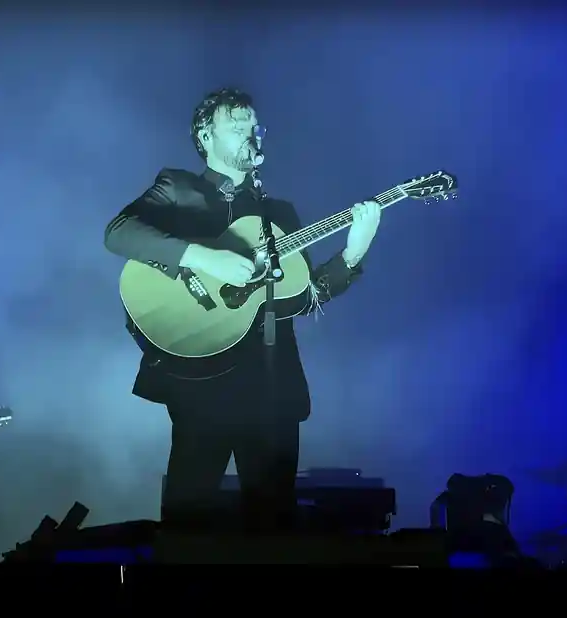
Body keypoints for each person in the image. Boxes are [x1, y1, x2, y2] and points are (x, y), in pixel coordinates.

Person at [104, 87, 381, 532]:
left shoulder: (279, 213)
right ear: (205, 135)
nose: (251, 132)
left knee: (273, 530)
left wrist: (351, 256)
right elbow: (119, 232)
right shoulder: (179, 188)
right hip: (199, 383)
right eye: (236, 125)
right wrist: (203, 258)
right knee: (187, 526)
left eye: (254, 126)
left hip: (271, 386)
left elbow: (304, 297)